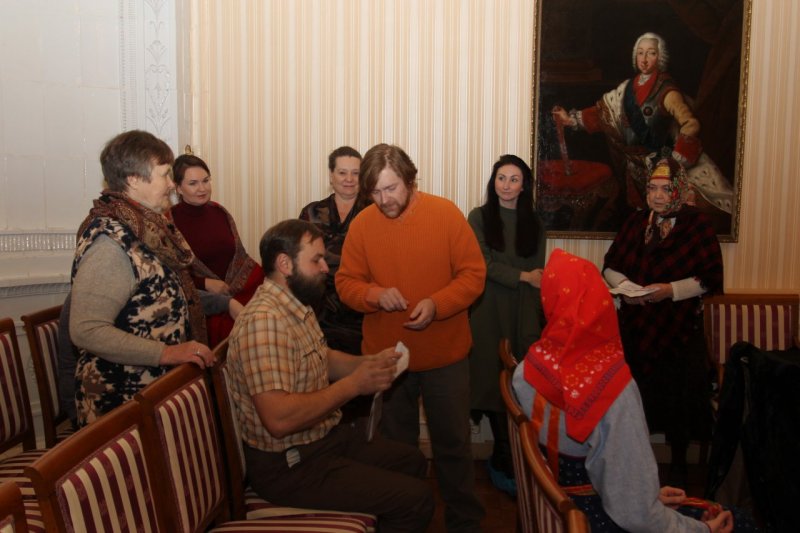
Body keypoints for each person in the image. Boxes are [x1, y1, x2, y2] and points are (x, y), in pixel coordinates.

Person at [226, 219, 434, 533]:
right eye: (317, 260)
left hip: (320, 440)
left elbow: (321, 357)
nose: (326, 267)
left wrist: (366, 364)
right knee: (416, 500)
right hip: (289, 465)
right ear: (285, 264)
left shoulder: (296, 302)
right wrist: (354, 385)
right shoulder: (264, 322)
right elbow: (279, 419)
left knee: (412, 461)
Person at [512, 248, 735, 532]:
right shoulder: (612, 391)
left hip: (554, 508)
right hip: (592, 518)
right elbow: (636, 514)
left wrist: (645, 493)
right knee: (738, 521)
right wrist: (702, 530)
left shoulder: (526, 370)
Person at [336, 144, 487, 532]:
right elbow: (345, 283)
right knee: (396, 451)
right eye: (375, 192)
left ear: (411, 180)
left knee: (453, 446)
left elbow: (473, 275)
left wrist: (437, 305)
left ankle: (465, 524)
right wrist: (374, 295)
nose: (383, 200)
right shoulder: (362, 224)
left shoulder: (446, 214)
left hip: (446, 357)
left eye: (391, 189)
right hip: (388, 361)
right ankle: (406, 522)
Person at [70, 130, 215, 427]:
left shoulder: (145, 228)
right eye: (164, 174)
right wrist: (167, 353)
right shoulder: (110, 241)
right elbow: (86, 329)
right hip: (122, 400)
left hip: (150, 392)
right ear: (135, 179)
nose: (171, 184)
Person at [602, 156, 723, 487]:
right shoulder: (635, 221)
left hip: (679, 329)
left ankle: (679, 465)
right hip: (636, 328)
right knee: (635, 399)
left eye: (665, 189)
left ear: (680, 189)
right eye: (652, 188)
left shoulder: (697, 225)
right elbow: (610, 265)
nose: (657, 195)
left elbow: (710, 277)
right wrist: (626, 288)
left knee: (679, 401)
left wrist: (670, 290)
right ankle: (635, 466)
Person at [552, 32, 733, 220]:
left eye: (651, 53)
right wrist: (570, 119)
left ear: (660, 57)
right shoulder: (626, 88)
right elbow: (603, 113)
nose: (644, 59)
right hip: (633, 171)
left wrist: (675, 160)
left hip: (660, 169)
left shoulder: (667, 92)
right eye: (640, 53)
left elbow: (691, 124)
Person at [467, 154, 545, 495]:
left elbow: (539, 272)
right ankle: (502, 455)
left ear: (524, 185)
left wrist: (528, 282)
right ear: (493, 181)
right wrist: (523, 276)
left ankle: (513, 454)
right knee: (489, 377)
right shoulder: (479, 217)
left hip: (523, 308)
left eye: (514, 179)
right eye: (501, 178)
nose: (507, 185)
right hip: (488, 308)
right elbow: (481, 264)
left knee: (520, 378)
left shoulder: (535, 223)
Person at [171, 153, 264, 347]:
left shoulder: (220, 212)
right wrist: (204, 283)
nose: (202, 188)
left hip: (238, 295)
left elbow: (240, 258)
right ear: (178, 188)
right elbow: (171, 274)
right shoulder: (169, 223)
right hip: (201, 307)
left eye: (206, 181)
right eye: (193, 183)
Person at [299, 146, 370, 355]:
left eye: (355, 173)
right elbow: (299, 257)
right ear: (331, 176)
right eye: (342, 172)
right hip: (317, 305)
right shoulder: (311, 212)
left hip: (358, 304)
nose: (349, 179)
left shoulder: (373, 212)